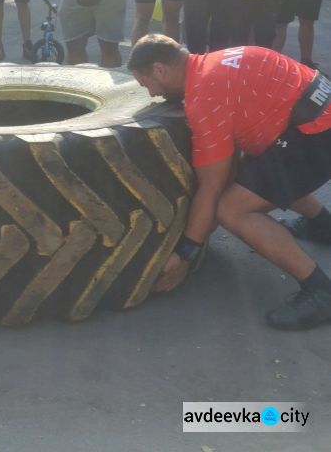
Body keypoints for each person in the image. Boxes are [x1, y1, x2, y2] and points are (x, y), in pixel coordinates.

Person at [128, 34, 331, 331]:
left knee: (232, 209)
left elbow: (211, 187)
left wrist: (186, 253)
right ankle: (324, 226)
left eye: (147, 85)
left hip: (317, 134)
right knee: (255, 171)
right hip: (318, 112)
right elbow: (234, 165)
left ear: (160, 70)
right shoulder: (218, 60)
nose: (152, 96)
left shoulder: (204, 96)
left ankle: (319, 290)